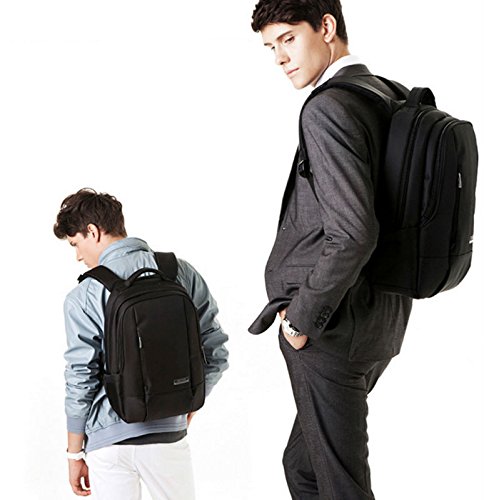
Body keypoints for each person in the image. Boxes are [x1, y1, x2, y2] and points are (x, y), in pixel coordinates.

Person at [248, 1, 412, 498]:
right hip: (380, 318)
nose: (280, 58)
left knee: (341, 486)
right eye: (271, 47)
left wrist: (301, 319)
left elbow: (354, 231)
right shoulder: (388, 95)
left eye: (288, 39)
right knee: (303, 466)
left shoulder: (328, 108)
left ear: (326, 27)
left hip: (331, 329)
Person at [54, 188, 229, 499]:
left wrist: (74, 453)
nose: (78, 256)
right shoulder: (179, 272)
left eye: (75, 244)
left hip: (108, 443)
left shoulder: (84, 295)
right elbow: (216, 351)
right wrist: (187, 402)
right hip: (168, 436)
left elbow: (81, 377)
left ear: (93, 232)